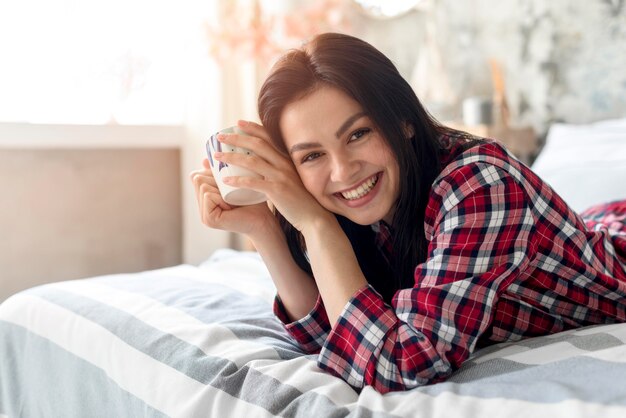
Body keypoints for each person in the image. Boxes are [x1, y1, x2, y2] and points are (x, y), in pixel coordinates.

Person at [190, 32, 626, 393]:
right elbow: (336, 333)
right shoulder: (373, 209)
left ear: (403, 120)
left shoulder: (481, 186)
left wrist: (317, 225)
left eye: (358, 134)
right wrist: (265, 228)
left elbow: (403, 363)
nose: (343, 171)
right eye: (312, 156)